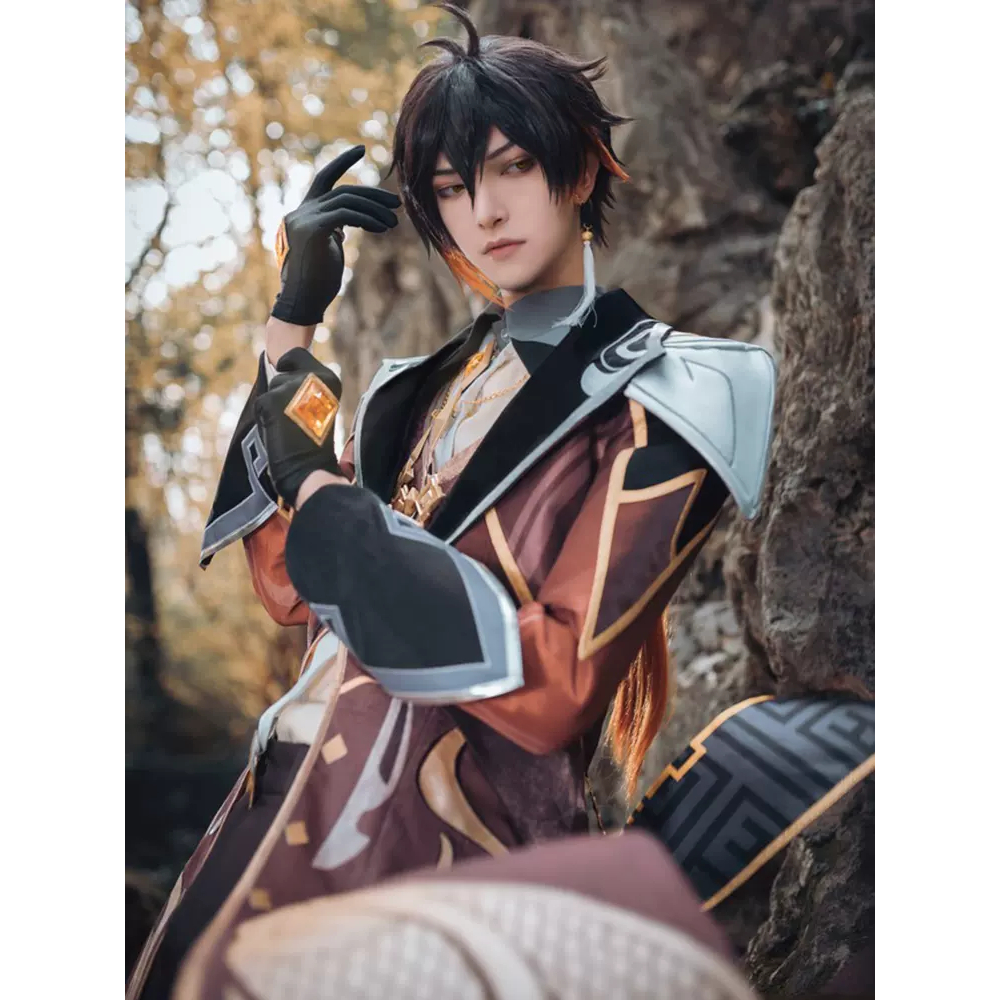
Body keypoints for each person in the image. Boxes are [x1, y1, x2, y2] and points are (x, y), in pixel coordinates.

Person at [128, 5, 776, 998]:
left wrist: (318, 488)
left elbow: (555, 684)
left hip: (453, 848)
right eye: (450, 186)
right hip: (276, 810)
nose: (485, 210)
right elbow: (294, 587)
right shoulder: (414, 389)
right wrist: (291, 329)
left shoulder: (673, 394)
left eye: (513, 166)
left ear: (582, 168)